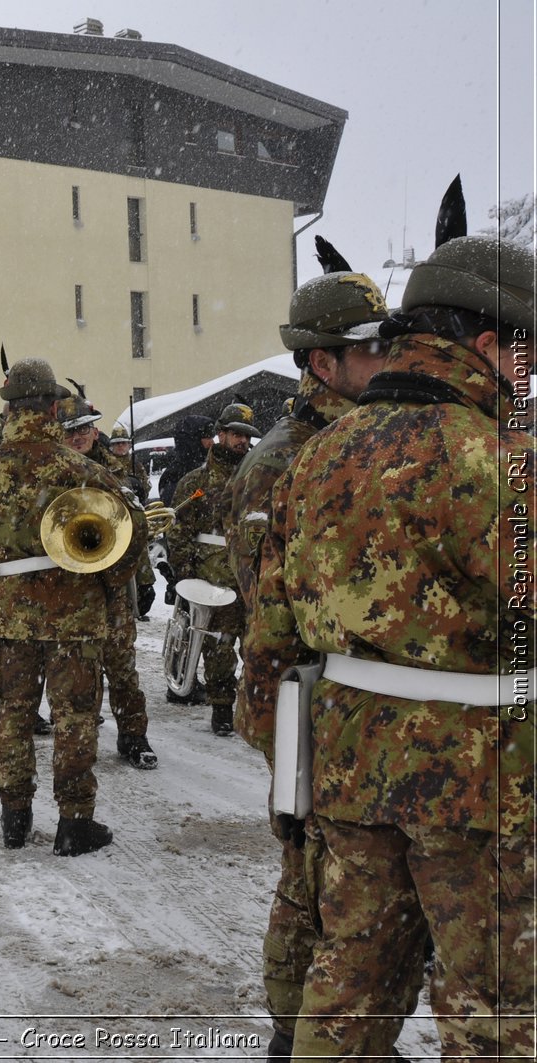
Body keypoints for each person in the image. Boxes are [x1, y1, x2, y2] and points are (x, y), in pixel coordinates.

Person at [241, 232, 534, 1059]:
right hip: (483, 792)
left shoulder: (315, 459)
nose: (529, 379)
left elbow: (270, 642)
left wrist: (295, 774)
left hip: (348, 775)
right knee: (496, 1012)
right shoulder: (502, 463)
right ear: (485, 345)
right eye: (527, 360)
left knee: (349, 996)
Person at [227, 263, 410, 1060]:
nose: (387, 358)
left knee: (357, 892)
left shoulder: (379, 434)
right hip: (306, 698)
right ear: (321, 363)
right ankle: (292, 1029)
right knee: (311, 882)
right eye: (368, 347)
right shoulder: (282, 460)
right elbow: (272, 605)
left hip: (365, 709)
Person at [0, 359, 145, 854]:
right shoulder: (84, 469)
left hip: (13, 614)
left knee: (13, 712)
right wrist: (114, 583)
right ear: (54, 408)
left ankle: (15, 816)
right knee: (75, 716)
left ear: (9, 409)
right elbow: (128, 540)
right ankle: (75, 823)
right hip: (77, 616)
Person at [61, 396, 157, 770]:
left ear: (95, 430)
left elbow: (137, 526)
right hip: (67, 587)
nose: (79, 436)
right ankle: (77, 744)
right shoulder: (54, 470)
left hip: (110, 585)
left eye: (85, 429)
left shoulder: (114, 470)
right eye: (71, 431)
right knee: (74, 671)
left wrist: (136, 577)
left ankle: (134, 736)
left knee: (122, 667)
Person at [169, 402, 258, 735]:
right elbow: (178, 531)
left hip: (251, 577)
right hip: (213, 578)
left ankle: (254, 710)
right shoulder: (197, 481)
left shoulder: (257, 477)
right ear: (221, 434)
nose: (242, 442)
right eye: (236, 434)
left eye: (246, 437)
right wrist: (186, 573)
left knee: (257, 648)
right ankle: (222, 708)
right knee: (219, 649)